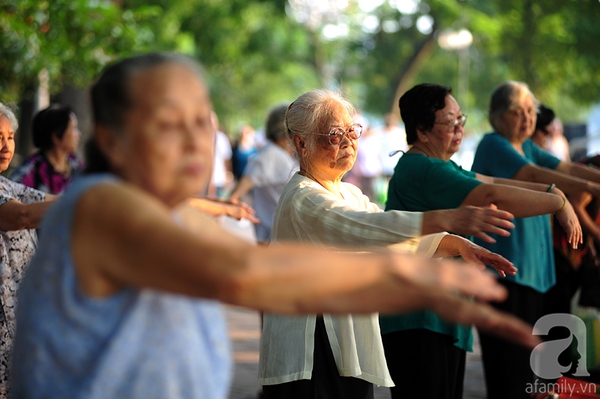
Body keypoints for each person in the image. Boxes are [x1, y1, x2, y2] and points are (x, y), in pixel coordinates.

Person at [11, 54, 538, 399]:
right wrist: (423, 272)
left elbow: (362, 234)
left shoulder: (157, 211)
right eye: (170, 122)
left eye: (203, 120)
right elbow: (247, 273)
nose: (196, 139)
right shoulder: (102, 207)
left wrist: (448, 247)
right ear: (112, 137)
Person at [258, 89, 523, 399]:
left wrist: (459, 245)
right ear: (302, 143)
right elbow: (366, 228)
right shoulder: (303, 196)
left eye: (351, 131)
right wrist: (444, 220)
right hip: (310, 354)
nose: (348, 141)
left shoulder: (347, 193)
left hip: (344, 345)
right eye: (333, 134)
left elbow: (392, 238)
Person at [382, 83, 582, 399]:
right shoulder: (423, 168)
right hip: (419, 317)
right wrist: (557, 201)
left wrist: (555, 193)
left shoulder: (441, 165)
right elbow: (490, 194)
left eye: (461, 119)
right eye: (451, 123)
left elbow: (490, 182)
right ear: (422, 130)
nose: (460, 128)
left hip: (441, 316)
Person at [472, 80, 600, 399]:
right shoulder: (494, 144)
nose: (528, 118)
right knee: (509, 371)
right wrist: (590, 191)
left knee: (528, 370)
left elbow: (565, 167)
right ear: (498, 115)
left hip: (532, 275)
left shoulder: (527, 146)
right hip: (504, 273)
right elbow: (532, 175)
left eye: (531, 111)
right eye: (519, 111)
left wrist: (595, 181)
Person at [0, 102, 57, 399]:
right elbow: (23, 217)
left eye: (9, 137)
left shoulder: (7, 186)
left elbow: (52, 200)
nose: (6, 146)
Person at [228, 104, 297, 243]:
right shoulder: (269, 156)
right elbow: (236, 194)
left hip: (278, 236)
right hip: (272, 236)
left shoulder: (277, 154)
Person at [10, 104, 83, 194]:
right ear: (56, 136)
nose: (78, 134)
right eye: (73, 129)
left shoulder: (75, 164)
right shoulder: (31, 172)